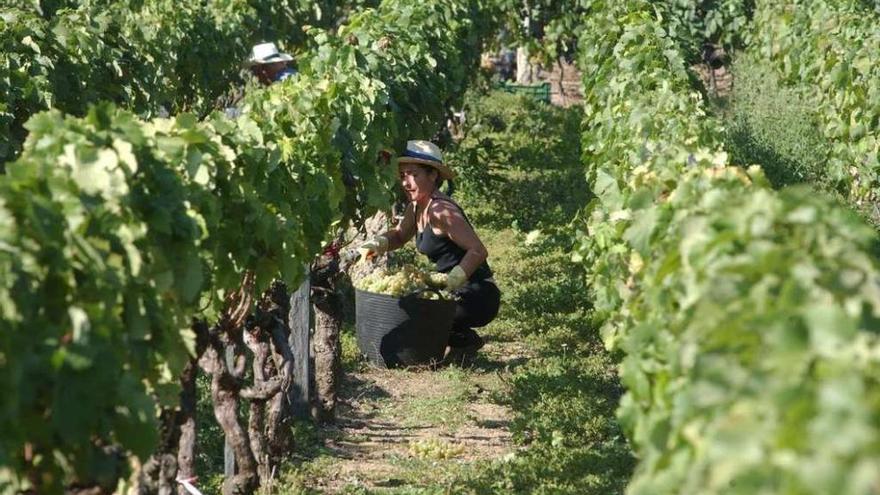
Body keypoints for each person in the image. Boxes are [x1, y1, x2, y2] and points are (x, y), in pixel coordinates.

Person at [360, 140, 501, 363]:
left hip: (477, 294)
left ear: (433, 175)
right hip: (454, 291)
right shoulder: (417, 207)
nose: (406, 181)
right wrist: (376, 244)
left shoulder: (440, 210)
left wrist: (454, 279)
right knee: (410, 308)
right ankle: (460, 340)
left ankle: (463, 340)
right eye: (403, 174)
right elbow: (399, 235)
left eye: (413, 174)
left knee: (415, 316)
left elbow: (478, 250)